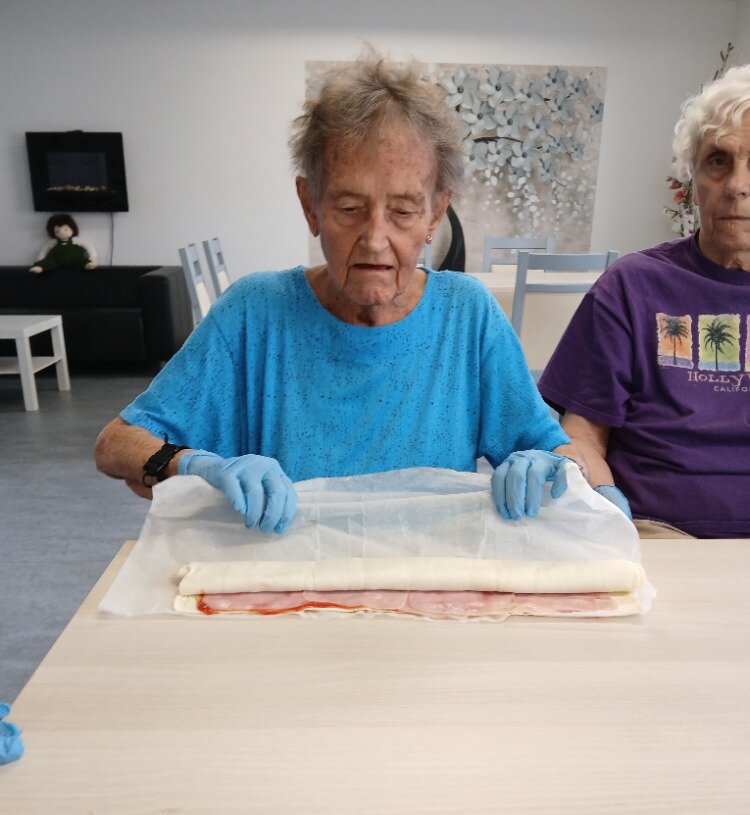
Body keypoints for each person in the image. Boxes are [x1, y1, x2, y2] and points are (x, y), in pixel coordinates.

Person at [95, 49, 582, 532]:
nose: (375, 239)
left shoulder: (467, 315)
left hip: (425, 570)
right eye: (349, 208)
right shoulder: (254, 312)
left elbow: (551, 446)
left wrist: (553, 464)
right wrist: (194, 465)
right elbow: (116, 444)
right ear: (310, 206)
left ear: (435, 214)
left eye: (403, 211)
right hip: (285, 571)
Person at [538, 65, 750, 539]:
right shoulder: (632, 287)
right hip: (656, 533)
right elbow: (583, 436)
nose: (737, 185)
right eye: (718, 161)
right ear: (692, 178)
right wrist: (598, 498)